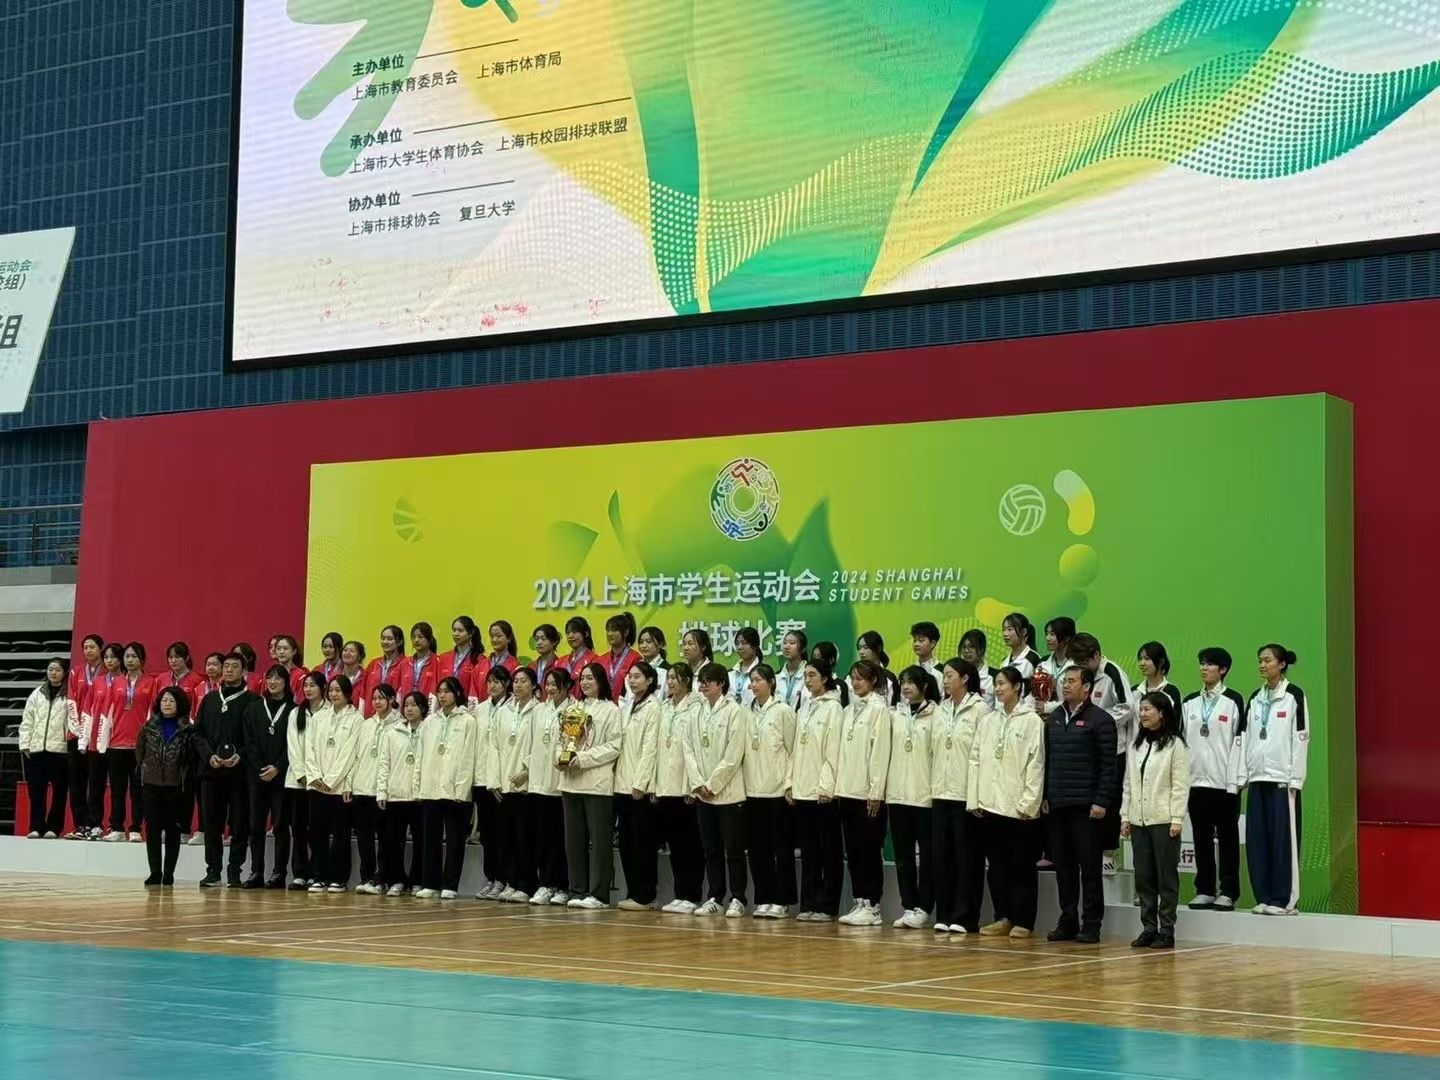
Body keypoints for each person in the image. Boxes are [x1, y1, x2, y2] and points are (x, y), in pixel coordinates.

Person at [1043, 665, 1118, 944]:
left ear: (1086, 687)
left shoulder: (1101, 720)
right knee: (1064, 869)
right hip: (1058, 805)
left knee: (1089, 869)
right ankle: (1068, 920)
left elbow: (1108, 767)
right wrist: (1046, 796)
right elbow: (1046, 761)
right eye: (1064, 681)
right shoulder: (1053, 718)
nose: (1065, 685)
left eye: (1072, 681)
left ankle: (1092, 924)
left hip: (1087, 808)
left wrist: (1101, 801)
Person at [969, 666, 1045, 938]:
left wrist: (1029, 803)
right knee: (997, 866)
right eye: (996, 684)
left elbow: (1036, 763)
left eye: (1002, 684)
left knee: (1021, 866)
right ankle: (1003, 916)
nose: (998, 689)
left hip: (1019, 808)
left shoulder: (1031, 720)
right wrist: (975, 798)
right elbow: (975, 758)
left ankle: (1023, 920)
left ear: (1017, 687)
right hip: (991, 804)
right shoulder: (989, 720)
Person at [1237, 644, 1308, 916]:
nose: (1262, 665)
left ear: (1282, 664)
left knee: (1282, 842)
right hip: (1257, 777)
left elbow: (1301, 737)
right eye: (1260, 661)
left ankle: (1283, 900)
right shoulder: (1255, 698)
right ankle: (1264, 896)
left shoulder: (1294, 696)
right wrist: (1243, 775)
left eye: (1267, 660)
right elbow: (1244, 738)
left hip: (1282, 780)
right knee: (1257, 841)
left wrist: (1295, 778)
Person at [1122, 692, 1191, 948]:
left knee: (1166, 879)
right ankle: (1148, 928)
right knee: (1144, 878)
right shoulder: (1135, 745)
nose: (1142, 714)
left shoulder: (1175, 745)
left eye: (1147, 709)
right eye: (1141, 709)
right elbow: (1128, 783)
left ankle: (1167, 930)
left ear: (1162, 713)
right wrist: (1125, 815)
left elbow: (1180, 785)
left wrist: (1176, 818)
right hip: (1138, 820)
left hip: (1164, 821)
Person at [1183, 647, 1247, 911]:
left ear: (1223, 670)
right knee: (1201, 837)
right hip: (1196, 782)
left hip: (1224, 783)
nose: (1204, 668)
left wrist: (1236, 781)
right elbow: (1182, 742)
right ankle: (1205, 889)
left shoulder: (1233, 700)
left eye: (1210, 664)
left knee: (1228, 838)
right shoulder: (1189, 702)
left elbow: (1240, 742)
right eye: (1202, 663)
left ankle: (1229, 891)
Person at [930, 659, 989, 935]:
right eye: (943, 676)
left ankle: (966, 916)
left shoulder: (979, 709)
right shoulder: (940, 709)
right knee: (942, 858)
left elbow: (981, 755)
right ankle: (944, 913)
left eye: (949, 675)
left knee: (967, 858)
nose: (944, 680)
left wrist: (976, 796)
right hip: (940, 792)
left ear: (965, 678)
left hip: (966, 796)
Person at [687, 662, 748, 917]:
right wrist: (698, 783)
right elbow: (688, 749)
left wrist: (712, 784)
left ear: (721, 683)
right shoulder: (696, 711)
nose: (702, 686)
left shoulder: (735, 711)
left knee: (733, 850)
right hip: (703, 794)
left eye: (707, 682)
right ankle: (715, 896)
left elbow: (734, 754)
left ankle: (738, 898)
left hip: (728, 793)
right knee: (711, 849)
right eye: (700, 682)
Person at [785, 659, 845, 922]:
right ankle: (808, 903)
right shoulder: (805, 706)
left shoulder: (834, 708)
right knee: (809, 851)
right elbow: (795, 748)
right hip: (802, 788)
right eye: (806, 676)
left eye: (812, 675)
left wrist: (826, 786)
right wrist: (790, 782)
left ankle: (827, 905)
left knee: (827, 851)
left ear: (825, 678)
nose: (808, 680)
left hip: (823, 792)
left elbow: (833, 751)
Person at [560, 663, 621, 909]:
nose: (585, 682)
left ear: (601, 681)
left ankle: (599, 894)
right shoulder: (573, 709)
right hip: (571, 782)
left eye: (590, 678)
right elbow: (562, 739)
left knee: (599, 842)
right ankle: (577, 889)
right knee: (573, 842)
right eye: (582, 678)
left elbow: (614, 746)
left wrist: (583, 758)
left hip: (597, 784)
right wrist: (562, 758)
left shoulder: (611, 710)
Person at [192, 653, 256, 888]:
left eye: (234, 666)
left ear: (244, 671)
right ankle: (213, 871)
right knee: (211, 824)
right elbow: (197, 733)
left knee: (239, 823)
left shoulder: (253, 701)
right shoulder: (210, 699)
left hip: (239, 774)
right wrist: (209, 756)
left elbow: (255, 738)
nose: (229, 670)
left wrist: (241, 755)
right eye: (226, 666)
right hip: (211, 772)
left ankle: (234, 871)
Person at [836, 660, 892, 926]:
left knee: (869, 850)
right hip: (848, 789)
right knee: (854, 850)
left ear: (873, 681)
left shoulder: (879, 709)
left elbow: (879, 752)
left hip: (868, 793)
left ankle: (872, 905)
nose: (855, 682)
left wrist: (875, 791)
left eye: (860, 678)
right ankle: (859, 900)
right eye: (853, 677)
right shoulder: (849, 710)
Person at [1066, 632, 1132, 855]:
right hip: (1085, 750)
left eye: (1083, 662)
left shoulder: (1112, 672)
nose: (1080, 666)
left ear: (1096, 655)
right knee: (1088, 802)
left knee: (1109, 802)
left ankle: (1109, 852)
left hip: (1112, 750)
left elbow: (1128, 707)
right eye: (1077, 662)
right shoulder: (1079, 675)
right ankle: (1088, 849)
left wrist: (1099, 721)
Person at [743, 663, 796, 919]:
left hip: (777, 791)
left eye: (758, 680)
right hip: (752, 790)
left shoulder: (783, 711)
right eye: (751, 680)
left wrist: (789, 783)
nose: (753, 685)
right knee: (757, 849)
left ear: (771, 683)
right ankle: (763, 898)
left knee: (781, 849)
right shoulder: (746, 712)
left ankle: (782, 901)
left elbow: (793, 750)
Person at [418, 677, 478, 899]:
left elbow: (468, 757)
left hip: (455, 791)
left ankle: (450, 885)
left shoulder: (467, 721)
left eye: (447, 691)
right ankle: (430, 883)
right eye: (439, 691)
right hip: (431, 787)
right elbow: (421, 755)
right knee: (430, 839)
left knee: (454, 841)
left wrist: (462, 790)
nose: (442, 695)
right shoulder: (429, 721)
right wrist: (419, 786)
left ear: (457, 694)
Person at [888, 666, 938, 929]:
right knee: (903, 856)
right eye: (902, 682)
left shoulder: (936, 715)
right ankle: (908, 905)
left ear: (924, 685)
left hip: (924, 796)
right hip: (898, 795)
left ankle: (924, 906)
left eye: (910, 682)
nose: (905, 687)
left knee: (928, 857)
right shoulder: (895, 715)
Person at [306, 675, 363, 893]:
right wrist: (315, 776)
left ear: (347, 693)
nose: (334, 694)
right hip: (317, 785)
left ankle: (339, 878)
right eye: (331, 690)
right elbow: (309, 748)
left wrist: (331, 780)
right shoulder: (319, 717)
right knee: (317, 832)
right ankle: (319, 876)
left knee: (340, 834)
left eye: (338, 690)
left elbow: (350, 754)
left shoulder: (356, 719)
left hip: (339, 787)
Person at [655, 663, 703, 915]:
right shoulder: (664, 707)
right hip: (666, 785)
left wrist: (690, 786)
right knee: (674, 844)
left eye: (676, 677)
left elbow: (693, 750)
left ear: (686, 680)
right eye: (670, 677)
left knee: (690, 844)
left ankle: (692, 894)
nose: (671, 681)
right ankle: (679, 893)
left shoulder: (696, 708)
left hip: (685, 787)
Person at [136, 688, 196, 886]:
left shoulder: (187, 729)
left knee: (173, 831)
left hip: (175, 786)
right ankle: (155, 872)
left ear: (179, 704)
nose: (167, 704)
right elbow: (140, 752)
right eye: (164, 700)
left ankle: (169, 873)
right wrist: (146, 770)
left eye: (171, 700)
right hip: (151, 785)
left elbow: (190, 758)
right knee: (152, 830)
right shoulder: (148, 727)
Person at [615, 661, 661, 910]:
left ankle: (646, 895)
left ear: (650, 680)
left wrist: (640, 783)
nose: (632, 681)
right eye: (630, 677)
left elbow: (650, 749)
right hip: (621, 783)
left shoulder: (654, 707)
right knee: (626, 843)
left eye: (637, 677)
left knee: (642, 843)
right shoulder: (626, 705)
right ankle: (633, 892)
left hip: (639, 788)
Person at [241, 666, 291, 889]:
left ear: (286, 682)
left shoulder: (293, 710)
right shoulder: (254, 708)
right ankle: (256, 872)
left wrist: (278, 767)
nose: (273, 682)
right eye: (269, 677)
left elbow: (294, 745)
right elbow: (248, 741)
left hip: (282, 777)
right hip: (257, 776)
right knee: (255, 826)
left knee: (280, 826)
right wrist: (260, 767)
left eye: (278, 678)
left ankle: (279, 873)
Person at [528, 669, 574, 905]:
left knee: (560, 839)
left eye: (555, 684)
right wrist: (526, 770)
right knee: (542, 837)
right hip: (538, 783)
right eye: (548, 684)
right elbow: (531, 744)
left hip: (560, 783)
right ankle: (545, 883)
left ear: (567, 686)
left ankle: (562, 886)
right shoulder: (538, 710)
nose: (551, 688)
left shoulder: (574, 710)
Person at [102, 642, 156, 842]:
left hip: (139, 745)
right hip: (116, 744)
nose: (130, 660)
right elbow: (107, 712)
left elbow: (154, 714)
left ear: (142, 659)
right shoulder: (116, 682)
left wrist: (150, 742)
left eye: (134, 656)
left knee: (137, 789)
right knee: (117, 789)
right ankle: (116, 828)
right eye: (127, 656)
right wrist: (103, 740)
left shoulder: (151, 682)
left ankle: (135, 828)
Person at [496, 667, 541, 902]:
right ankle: (511, 881)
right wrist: (495, 779)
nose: (518, 685)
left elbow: (540, 746)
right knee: (507, 837)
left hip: (526, 785)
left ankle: (526, 884)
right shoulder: (504, 711)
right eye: (515, 681)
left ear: (533, 685)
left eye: (524, 681)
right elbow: (493, 745)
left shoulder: (539, 711)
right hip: (505, 783)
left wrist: (527, 770)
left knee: (525, 838)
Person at [376, 688, 424, 896]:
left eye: (414, 705)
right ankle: (397, 879)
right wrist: (382, 792)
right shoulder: (393, 732)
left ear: (423, 708)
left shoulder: (429, 730)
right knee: (394, 841)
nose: (409, 709)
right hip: (395, 794)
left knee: (421, 841)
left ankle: (417, 880)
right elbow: (384, 764)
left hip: (420, 796)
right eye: (406, 705)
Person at [19, 658, 73, 838]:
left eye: (57, 670)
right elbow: (27, 720)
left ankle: (53, 828)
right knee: (36, 793)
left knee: (59, 793)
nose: (53, 673)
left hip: (60, 752)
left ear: (64, 673)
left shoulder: (70, 694)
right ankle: (36, 826)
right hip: (37, 752)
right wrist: (25, 744)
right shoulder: (36, 694)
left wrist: (70, 746)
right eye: (50, 669)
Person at [472, 665, 513, 899]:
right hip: (481, 778)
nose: (492, 686)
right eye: (489, 681)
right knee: (486, 834)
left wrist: (499, 778)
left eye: (497, 681)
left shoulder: (512, 708)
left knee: (503, 833)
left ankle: (504, 878)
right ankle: (491, 877)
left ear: (506, 684)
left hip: (501, 781)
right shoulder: (480, 710)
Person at [349, 681, 391, 894]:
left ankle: (381, 878)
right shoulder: (366, 725)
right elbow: (356, 756)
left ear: (391, 700)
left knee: (384, 837)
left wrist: (384, 788)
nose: (377, 702)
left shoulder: (398, 725)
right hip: (362, 788)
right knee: (364, 837)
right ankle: (366, 876)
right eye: (374, 698)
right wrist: (350, 784)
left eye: (381, 698)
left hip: (382, 790)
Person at [284, 671, 324, 890]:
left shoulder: (328, 712)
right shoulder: (295, 713)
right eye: (305, 685)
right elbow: (293, 744)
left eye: (312, 685)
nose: (308, 689)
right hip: (297, 781)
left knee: (316, 828)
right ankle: (300, 872)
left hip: (319, 781)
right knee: (298, 828)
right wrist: (301, 772)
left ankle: (317, 871)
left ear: (322, 688)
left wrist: (315, 774)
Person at [65, 635, 104, 840]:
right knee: (76, 782)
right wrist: (77, 729)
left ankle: (94, 824)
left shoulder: (107, 672)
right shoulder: (76, 672)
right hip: (77, 733)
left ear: (101, 648)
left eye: (92, 646)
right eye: (85, 647)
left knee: (95, 782)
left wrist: (92, 729)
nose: (88, 650)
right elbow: (71, 701)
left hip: (97, 734)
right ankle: (80, 825)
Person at [361, 625, 406, 715]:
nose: (385, 642)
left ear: (400, 642)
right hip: (372, 715)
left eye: (389, 639)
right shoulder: (373, 663)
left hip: (394, 715)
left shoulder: (405, 663)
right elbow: (363, 691)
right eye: (383, 638)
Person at [1038, 618, 1076, 715]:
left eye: (1052, 634)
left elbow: (1077, 700)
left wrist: (1048, 707)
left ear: (1066, 638)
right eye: (1047, 634)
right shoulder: (1043, 663)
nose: (1047, 638)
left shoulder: (1077, 664)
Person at [1134, 642, 1183, 715]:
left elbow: (1177, 720)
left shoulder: (1172, 692)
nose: (1142, 663)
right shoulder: (1134, 691)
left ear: (1161, 662)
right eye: (1140, 659)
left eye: (1147, 659)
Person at [603, 612, 641, 704]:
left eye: (614, 630)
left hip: (626, 707)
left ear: (626, 632)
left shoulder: (636, 658)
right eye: (608, 630)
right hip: (603, 708)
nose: (610, 634)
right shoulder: (601, 659)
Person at [439, 616, 484, 694]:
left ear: (470, 633)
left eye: (460, 631)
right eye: (454, 630)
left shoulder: (480, 659)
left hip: (468, 701)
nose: (456, 634)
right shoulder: (443, 658)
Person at [399, 622, 440, 702]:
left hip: (429, 706)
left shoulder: (438, 662)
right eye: (413, 637)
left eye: (420, 637)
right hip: (408, 706)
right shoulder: (404, 663)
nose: (416, 640)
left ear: (429, 639)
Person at [854, 631, 898, 704]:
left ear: (878, 648)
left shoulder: (889, 678)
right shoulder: (851, 676)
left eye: (865, 647)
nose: (861, 652)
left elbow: (893, 706)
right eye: (859, 648)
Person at [1000, 614, 1042, 681]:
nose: (1005, 634)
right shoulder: (1004, 662)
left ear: (1024, 632)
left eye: (1010, 629)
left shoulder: (1035, 660)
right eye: (1003, 629)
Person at [958, 630, 996, 706]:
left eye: (972, 647)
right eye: (964, 647)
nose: (966, 651)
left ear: (982, 650)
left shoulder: (994, 676)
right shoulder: (958, 674)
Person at [775, 629, 808, 711]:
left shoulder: (809, 676)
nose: (786, 647)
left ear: (803, 649)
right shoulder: (776, 677)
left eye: (792, 643)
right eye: (785, 643)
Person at [560, 617, 598, 688]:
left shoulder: (595, 660)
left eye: (575, 632)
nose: (570, 636)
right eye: (568, 633)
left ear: (585, 634)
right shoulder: (560, 662)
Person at [729, 627, 762, 706]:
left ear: (755, 646)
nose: (739, 647)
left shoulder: (763, 673)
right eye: (737, 643)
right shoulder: (730, 673)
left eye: (744, 643)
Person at [910, 622, 943, 695]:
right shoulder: (910, 671)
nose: (916, 644)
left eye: (921, 640)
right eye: (914, 640)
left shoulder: (942, 671)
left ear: (932, 643)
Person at [530, 624, 562, 693]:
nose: (539, 643)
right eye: (536, 639)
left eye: (543, 639)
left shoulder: (560, 665)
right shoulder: (531, 666)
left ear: (554, 641)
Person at [339, 641, 367, 706]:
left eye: (352, 651)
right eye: (345, 650)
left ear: (360, 656)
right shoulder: (336, 676)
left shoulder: (365, 677)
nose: (347, 653)